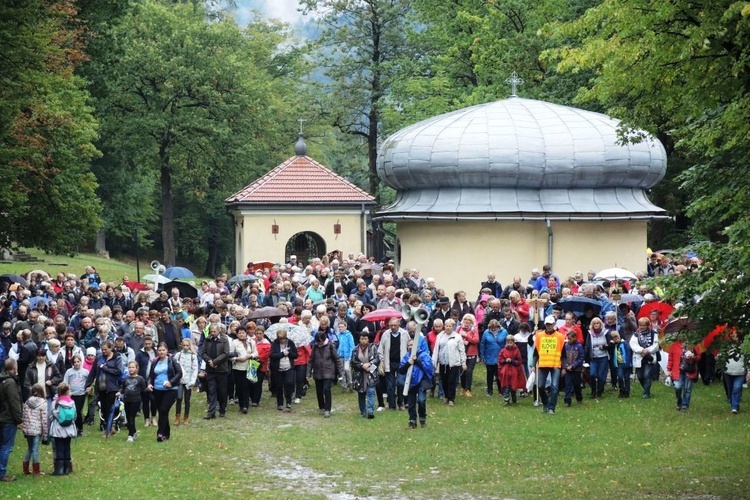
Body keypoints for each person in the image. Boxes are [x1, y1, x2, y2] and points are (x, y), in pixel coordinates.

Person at [84, 340, 123, 436]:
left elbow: (119, 371)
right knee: (104, 409)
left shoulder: (117, 358)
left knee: (110, 408)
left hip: (112, 387)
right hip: (101, 388)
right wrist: (88, 385)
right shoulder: (99, 358)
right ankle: (109, 428)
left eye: (105, 349)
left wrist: (105, 368)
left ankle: (108, 430)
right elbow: (92, 373)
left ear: (111, 348)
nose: (103, 351)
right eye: (102, 349)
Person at [148, 342, 182, 442]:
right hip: (157, 389)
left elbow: (179, 373)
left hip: (170, 390)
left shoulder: (172, 360)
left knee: (163, 409)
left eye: (163, 350)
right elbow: (151, 375)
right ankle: (166, 433)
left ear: (167, 351)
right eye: (159, 350)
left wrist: (171, 382)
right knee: (163, 412)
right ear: (157, 351)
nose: (161, 352)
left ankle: (160, 433)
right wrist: (149, 384)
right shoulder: (155, 362)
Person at [533, 316, 566, 415]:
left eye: (550, 324)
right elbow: (536, 352)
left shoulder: (560, 337)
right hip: (543, 364)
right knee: (541, 386)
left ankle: (551, 407)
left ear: (554, 324)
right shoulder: (539, 336)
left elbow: (563, 354)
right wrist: (533, 365)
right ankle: (545, 403)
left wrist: (564, 367)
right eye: (547, 324)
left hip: (555, 364)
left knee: (554, 387)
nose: (549, 326)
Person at [398, 336, 433, 428]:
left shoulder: (424, 355)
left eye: (412, 345)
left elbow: (428, 368)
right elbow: (401, 370)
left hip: (422, 381)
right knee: (411, 403)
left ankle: (422, 419)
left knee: (421, 400)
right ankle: (412, 421)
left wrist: (417, 361)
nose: (410, 347)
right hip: (410, 382)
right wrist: (408, 363)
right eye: (408, 345)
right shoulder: (406, 357)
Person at [430, 319, 466, 407]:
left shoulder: (457, 337)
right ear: (444, 326)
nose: (448, 328)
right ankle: (446, 396)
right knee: (444, 380)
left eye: (450, 326)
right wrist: (434, 362)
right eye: (446, 326)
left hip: (454, 363)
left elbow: (462, 350)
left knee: (451, 381)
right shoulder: (440, 336)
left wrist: (463, 363)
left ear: (453, 327)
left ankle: (451, 399)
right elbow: (436, 350)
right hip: (443, 362)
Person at [308, 330, 344, 418]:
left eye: (321, 341)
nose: (320, 343)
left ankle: (327, 409)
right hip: (317, 372)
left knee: (326, 389)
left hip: (329, 372)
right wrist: (308, 372)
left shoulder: (331, 346)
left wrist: (340, 373)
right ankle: (321, 407)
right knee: (319, 391)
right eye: (318, 342)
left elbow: (337, 360)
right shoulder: (315, 347)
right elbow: (311, 360)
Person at [378, 318, 409, 410]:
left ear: (399, 325)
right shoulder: (385, 334)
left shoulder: (404, 334)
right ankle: (392, 405)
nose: (393, 327)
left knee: (400, 383)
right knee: (390, 385)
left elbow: (409, 347)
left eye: (395, 325)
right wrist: (382, 361)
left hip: (401, 362)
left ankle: (401, 403)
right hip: (389, 362)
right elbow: (380, 349)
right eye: (391, 325)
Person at [201, 324, 230, 419]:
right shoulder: (207, 339)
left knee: (222, 391)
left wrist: (215, 361)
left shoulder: (224, 340)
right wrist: (209, 361)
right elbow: (203, 352)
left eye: (214, 331)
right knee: (212, 390)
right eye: (211, 332)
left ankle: (222, 409)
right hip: (210, 370)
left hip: (222, 369)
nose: (213, 333)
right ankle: (211, 412)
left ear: (218, 331)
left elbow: (226, 353)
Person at [0, 359, 22, 481]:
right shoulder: (11, 383)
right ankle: (2, 473)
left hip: (2, 416)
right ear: (14, 368)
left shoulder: (2, 380)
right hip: (8, 418)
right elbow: (14, 402)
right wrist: (19, 419)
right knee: (6, 446)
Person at [49, 382, 76, 476]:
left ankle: (59, 469)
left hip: (58, 429)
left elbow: (53, 415)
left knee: (59, 448)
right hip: (69, 428)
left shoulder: (55, 403)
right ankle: (67, 468)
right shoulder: (72, 403)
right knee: (67, 447)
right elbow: (75, 415)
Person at [351, 332, 379, 419]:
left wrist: (369, 365)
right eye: (362, 339)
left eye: (365, 339)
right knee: (361, 394)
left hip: (371, 374)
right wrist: (362, 366)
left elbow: (377, 359)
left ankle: (370, 411)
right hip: (359, 375)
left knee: (371, 392)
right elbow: (353, 362)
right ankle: (363, 411)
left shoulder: (373, 348)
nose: (363, 341)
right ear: (359, 339)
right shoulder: (355, 350)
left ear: (368, 339)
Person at [630, 318, 661, 399]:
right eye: (640, 325)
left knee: (647, 375)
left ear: (647, 325)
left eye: (643, 325)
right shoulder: (636, 334)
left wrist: (648, 350)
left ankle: (646, 393)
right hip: (639, 356)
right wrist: (641, 350)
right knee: (640, 376)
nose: (641, 327)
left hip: (649, 357)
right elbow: (632, 344)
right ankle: (646, 389)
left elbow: (656, 345)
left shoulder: (653, 333)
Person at [117, 361, 147, 442]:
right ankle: (134, 432)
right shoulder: (126, 378)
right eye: (129, 367)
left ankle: (130, 435)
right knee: (129, 417)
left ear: (137, 368)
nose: (131, 369)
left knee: (131, 417)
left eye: (133, 367)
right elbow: (123, 388)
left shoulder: (140, 379)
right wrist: (119, 392)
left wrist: (149, 389)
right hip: (127, 400)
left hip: (136, 400)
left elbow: (144, 389)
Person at [22, 383, 47, 476]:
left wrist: (24, 428)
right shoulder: (43, 403)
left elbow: (24, 416)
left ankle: (25, 469)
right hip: (36, 429)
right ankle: (36, 470)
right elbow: (44, 419)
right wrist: (45, 434)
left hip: (28, 429)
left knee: (29, 448)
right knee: (35, 449)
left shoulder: (27, 402)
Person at [667, 339, 699, 411]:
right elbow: (670, 358)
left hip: (690, 370)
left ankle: (685, 405)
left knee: (687, 389)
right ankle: (679, 401)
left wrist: (693, 356)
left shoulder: (693, 345)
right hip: (678, 370)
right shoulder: (674, 346)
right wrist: (669, 369)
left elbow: (699, 357)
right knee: (677, 386)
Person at [269, 328, 298, 411]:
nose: (282, 340)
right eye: (280, 339)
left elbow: (295, 355)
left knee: (289, 383)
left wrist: (289, 353)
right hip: (278, 369)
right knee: (279, 386)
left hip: (288, 368)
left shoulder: (290, 343)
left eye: (283, 338)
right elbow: (272, 355)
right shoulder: (275, 343)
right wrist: (282, 354)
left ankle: (288, 402)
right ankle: (280, 403)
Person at [230, 326, 256, 414]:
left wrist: (250, 356)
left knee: (246, 386)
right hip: (237, 367)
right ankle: (241, 404)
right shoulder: (234, 343)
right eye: (239, 333)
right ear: (237, 334)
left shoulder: (251, 342)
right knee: (239, 387)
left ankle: (245, 405)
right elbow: (230, 355)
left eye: (243, 332)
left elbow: (256, 353)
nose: (241, 334)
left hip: (248, 367)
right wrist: (237, 359)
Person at [173, 338, 199, 424]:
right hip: (180, 381)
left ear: (190, 346)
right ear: (181, 345)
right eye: (184, 345)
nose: (185, 347)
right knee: (179, 398)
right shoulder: (178, 355)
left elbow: (195, 369)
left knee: (187, 400)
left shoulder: (193, 356)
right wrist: (176, 379)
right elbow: (174, 367)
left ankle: (186, 417)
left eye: (187, 345)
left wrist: (192, 381)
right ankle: (177, 416)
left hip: (188, 381)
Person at [479, 319, 507, 397]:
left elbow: (507, 343)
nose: (493, 329)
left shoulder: (504, 332)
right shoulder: (486, 332)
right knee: (490, 375)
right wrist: (482, 356)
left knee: (499, 375)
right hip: (489, 357)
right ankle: (489, 390)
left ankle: (501, 390)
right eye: (492, 327)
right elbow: (483, 344)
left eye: (495, 327)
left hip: (500, 356)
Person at [585, 317, 611, 399]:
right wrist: (586, 357)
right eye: (594, 323)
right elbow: (587, 346)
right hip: (593, 357)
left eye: (598, 323)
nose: (596, 325)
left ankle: (599, 392)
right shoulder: (589, 333)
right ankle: (593, 391)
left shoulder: (606, 333)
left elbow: (611, 345)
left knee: (600, 376)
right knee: (592, 374)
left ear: (600, 324)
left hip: (603, 357)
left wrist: (604, 347)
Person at [724, 329, 749, 414]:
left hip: (740, 372)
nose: (735, 336)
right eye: (733, 335)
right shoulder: (726, 346)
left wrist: (748, 371)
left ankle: (734, 407)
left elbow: (748, 359)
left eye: (736, 334)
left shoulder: (744, 346)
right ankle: (734, 405)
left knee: (737, 388)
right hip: (728, 371)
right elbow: (721, 357)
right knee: (730, 389)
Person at [62, 354, 88, 436]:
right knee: (72, 411)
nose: (76, 363)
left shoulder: (85, 372)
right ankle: (72, 427)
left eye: (78, 361)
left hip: (81, 394)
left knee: (78, 411)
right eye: (75, 362)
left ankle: (80, 428)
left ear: (81, 362)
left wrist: (89, 388)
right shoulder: (69, 371)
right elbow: (65, 382)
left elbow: (89, 381)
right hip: (71, 394)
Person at [497, 335, 526, 405]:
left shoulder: (516, 350)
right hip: (505, 371)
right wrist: (505, 360)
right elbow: (500, 360)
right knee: (506, 385)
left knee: (513, 384)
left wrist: (512, 361)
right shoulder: (503, 350)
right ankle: (506, 399)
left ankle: (513, 395)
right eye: (508, 342)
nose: (509, 344)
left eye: (511, 342)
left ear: (513, 342)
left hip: (513, 370)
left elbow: (519, 361)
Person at [457, 314, 479, 397]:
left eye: (469, 320)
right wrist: (462, 341)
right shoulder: (459, 328)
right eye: (465, 319)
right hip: (461, 353)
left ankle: (468, 389)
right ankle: (462, 388)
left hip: (471, 354)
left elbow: (476, 340)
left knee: (469, 372)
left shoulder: (474, 329)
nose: (467, 321)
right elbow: (455, 338)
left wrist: (467, 336)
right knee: (462, 371)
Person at [562, 331, 584, 407]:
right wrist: (566, 365)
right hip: (568, 369)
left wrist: (574, 365)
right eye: (568, 338)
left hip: (576, 369)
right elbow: (564, 357)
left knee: (576, 385)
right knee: (568, 385)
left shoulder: (579, 346)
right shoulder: (566, 346)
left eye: (570, 338)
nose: (569, 340)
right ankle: (567, 401)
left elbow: (581, 358)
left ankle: (579, 398)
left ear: (575, 337)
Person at [250, 327, 270, 407]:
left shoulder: (267, 343)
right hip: (252, 364)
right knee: (251, 382)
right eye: (257, 333)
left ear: (263, 334)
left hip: (261, 365)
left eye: (260, 333)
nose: (258, 335)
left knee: (258, 383)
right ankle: (252, 397)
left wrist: (258, 357)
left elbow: (266, 354)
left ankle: (256, 400)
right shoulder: (252, 341)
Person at [611, 332, 632, 398]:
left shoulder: (625, 343)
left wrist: (628, 363)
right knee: (620, 377)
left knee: (626, 378)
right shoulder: (615, 345)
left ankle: (627, 391)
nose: (616, 338)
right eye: (614, 337)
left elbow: (629, 353)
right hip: (619, 364)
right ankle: (621, 390)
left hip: (626, 363)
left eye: (616, 336)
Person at [336, 322, 355, 392]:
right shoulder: (338, 335)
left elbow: (352, 346)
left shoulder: (349, 335)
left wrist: (350, 356)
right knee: (341, 371)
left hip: (347, 356)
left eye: (342, 327)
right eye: (339, 327)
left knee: (347, 369)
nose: (341, 328)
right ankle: (344, 386)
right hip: (340, 356)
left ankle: (350, 384)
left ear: (346, 327)